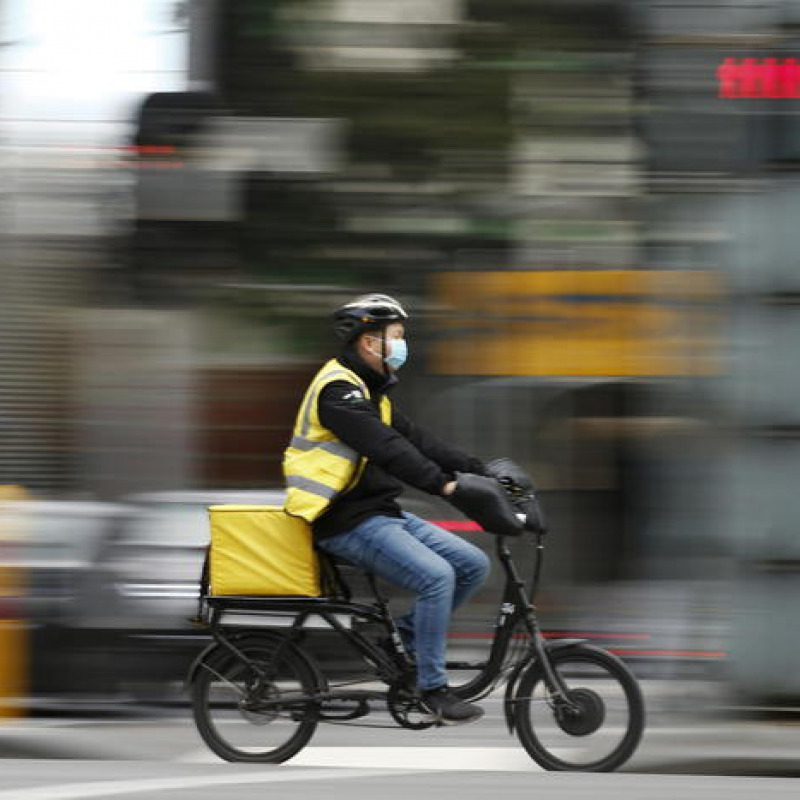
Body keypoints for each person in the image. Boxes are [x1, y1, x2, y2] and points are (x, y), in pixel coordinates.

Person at [283, 293, 491, 724]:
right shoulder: (337, 391)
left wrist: (483, 470)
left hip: (379, 513)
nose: (402, 345)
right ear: (368, 342)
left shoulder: (370, 393)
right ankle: (430, 688)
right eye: (396, 337)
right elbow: (390, 449)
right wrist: (444, 485)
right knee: (437, 577)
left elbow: (419, 440)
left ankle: (402, 637)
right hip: (342, 519)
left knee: (472, 564)